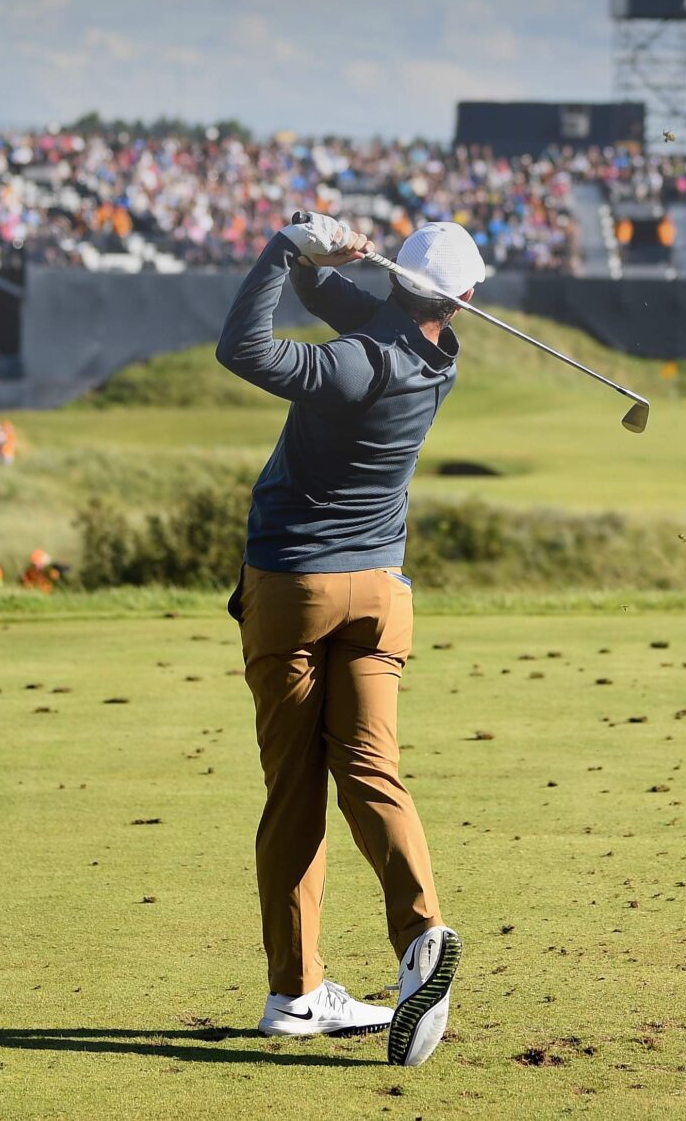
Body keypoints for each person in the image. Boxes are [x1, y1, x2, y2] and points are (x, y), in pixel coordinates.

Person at [215, 210, 473, 1066]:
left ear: (399, 282)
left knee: (294, 788)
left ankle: (294, 991)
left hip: (293, 588)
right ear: (463, 301)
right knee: (371, 770)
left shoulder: (358, 362)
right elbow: (363, 311)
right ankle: (421, 932)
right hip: (379, 594)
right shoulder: (435, 360)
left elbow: (243, 350)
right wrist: (326, 267)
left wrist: (286, 246)